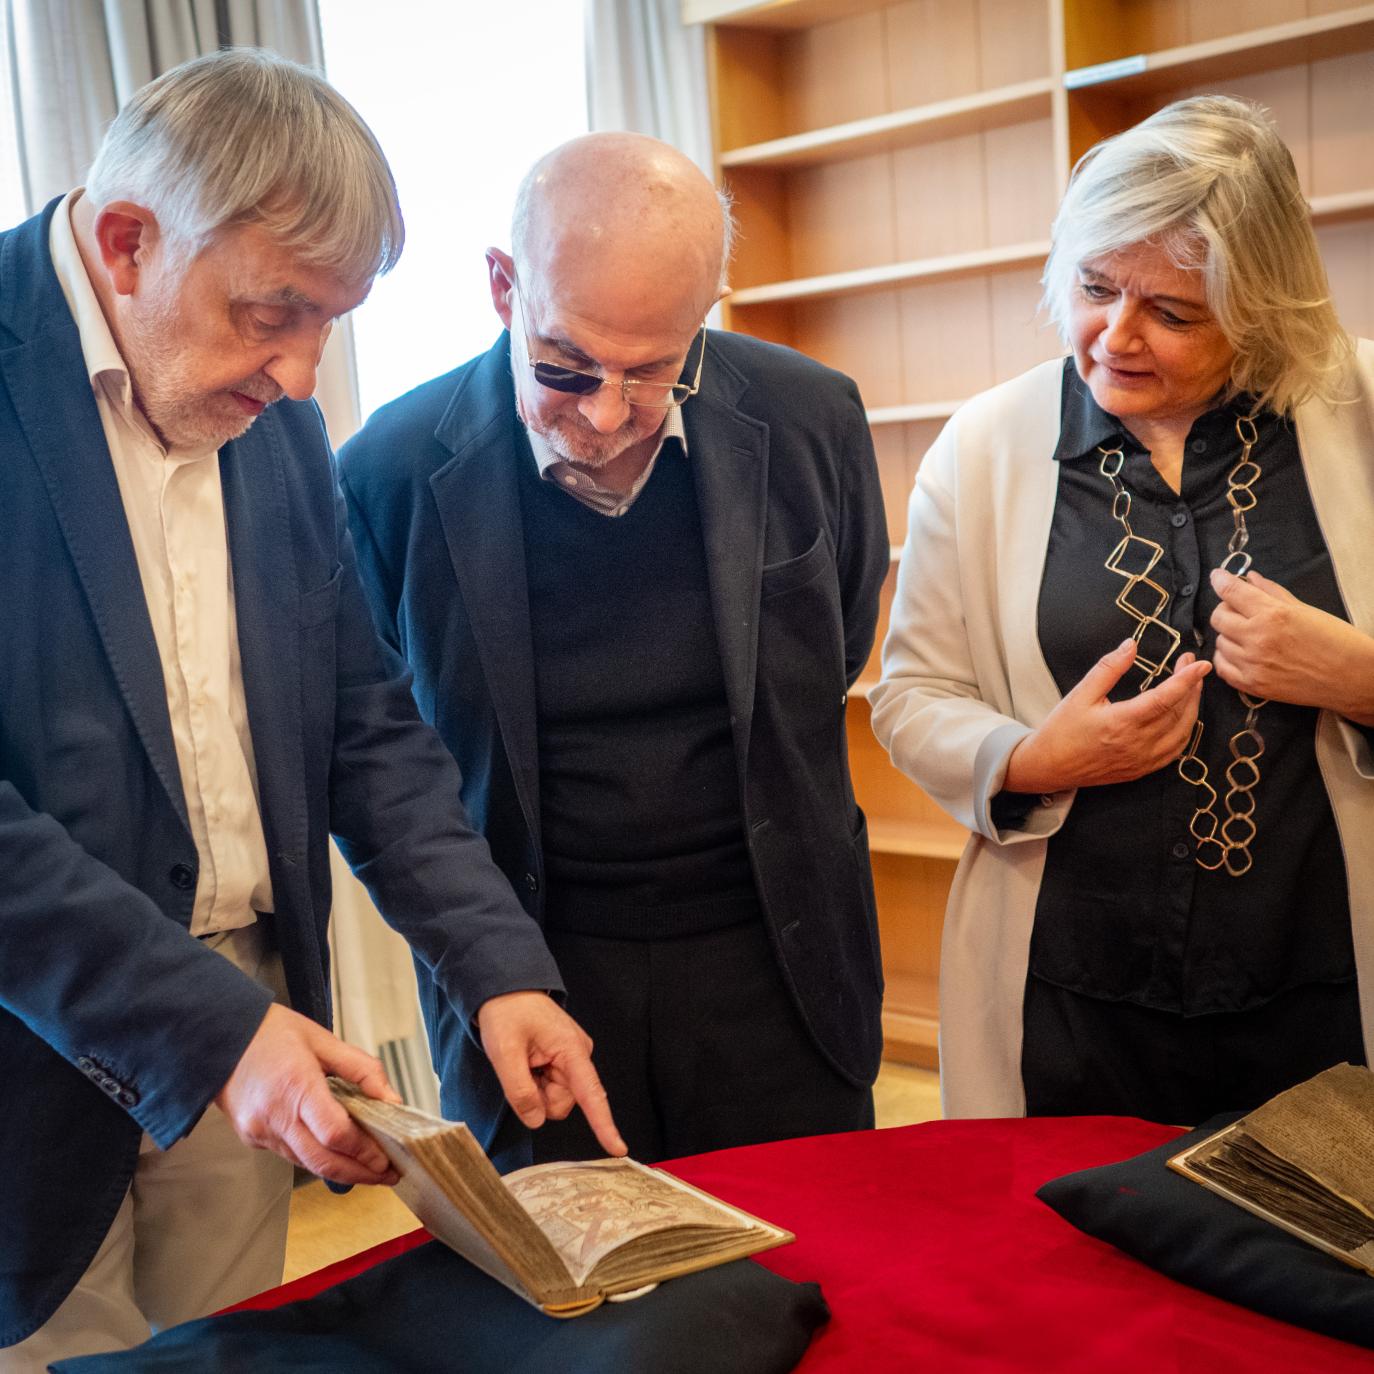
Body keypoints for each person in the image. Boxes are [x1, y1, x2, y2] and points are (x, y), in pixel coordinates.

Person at [0, 50, 623, 1370]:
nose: (298, 379)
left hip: (253, 1007)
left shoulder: (272, 425)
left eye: (329, 323)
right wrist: (211, 1028)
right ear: (125, 242)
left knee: (226, 1349)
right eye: (273, 312)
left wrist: (495, 963)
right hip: (28, 1036)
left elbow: (365, 730)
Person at [339, 132, 889, 1170]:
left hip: (779, 958)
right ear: (503, 287)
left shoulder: (811, 417)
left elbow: (841, 636)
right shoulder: (387, 473)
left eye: (651, 373)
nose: (606, 412)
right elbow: (386, 752)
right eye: (567, 365)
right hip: (536, 971)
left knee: (806, 1275)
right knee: (573, 1313)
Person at [870, 95, 1374, 1127]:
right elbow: (912, 694)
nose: (1115, 336)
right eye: (1094, 287)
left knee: (1310, 1281)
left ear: (1263, 305)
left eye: (1174, 312)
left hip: (1324, 986)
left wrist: (1358, 676)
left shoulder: (1362, 413)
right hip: (1069, 994)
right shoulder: (981, 449)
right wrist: (1030, 760)